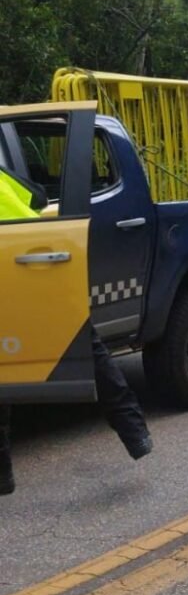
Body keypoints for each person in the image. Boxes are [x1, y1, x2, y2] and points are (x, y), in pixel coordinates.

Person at [0, 167, 152, 496]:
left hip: (23, 271)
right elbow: (37, 196)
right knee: (78, 344)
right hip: (29, 268)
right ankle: (134, 430)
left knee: (78, 345)